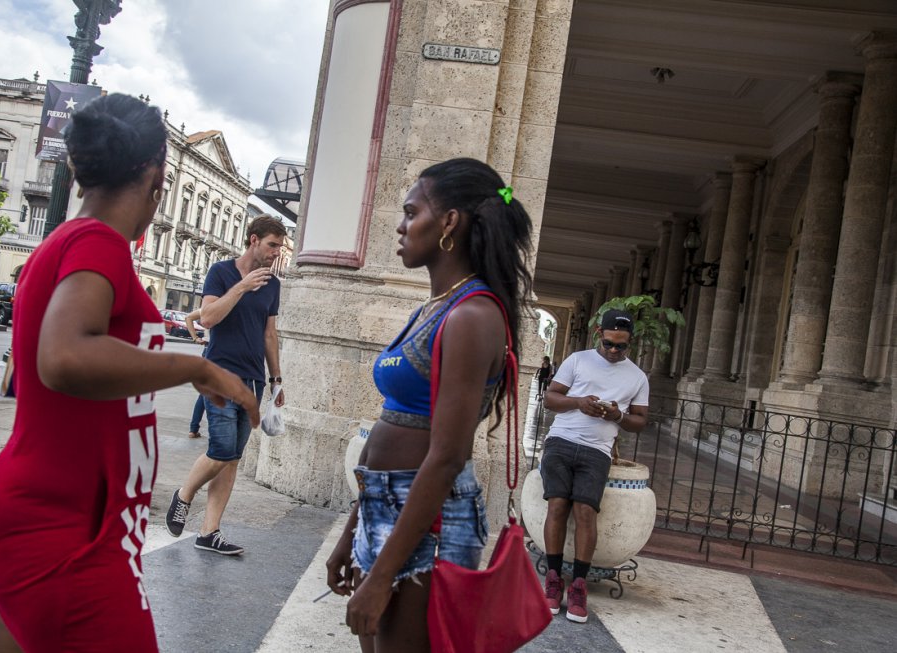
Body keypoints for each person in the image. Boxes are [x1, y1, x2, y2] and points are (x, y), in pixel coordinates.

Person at [0, 94, 258, 653]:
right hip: (64, 524)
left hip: (62, 518)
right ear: (156, 174)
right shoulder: (97, 241)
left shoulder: (72, 243)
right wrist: (198, 367)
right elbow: (66, 357)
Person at [324, 158, 533, 652]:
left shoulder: (472, 316)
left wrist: (380, 577)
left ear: (449, 223)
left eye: (410, 211)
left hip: (430, 522)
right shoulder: (434, 308)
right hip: (389, 508)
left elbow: (446, 457)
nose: (400, 225)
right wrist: (352, 532)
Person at [165, 214, 287, 555]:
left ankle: (209, 532)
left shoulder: (273, 285)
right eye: (272, 245)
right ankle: (184, 495)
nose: (276, 253)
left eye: (279, 247)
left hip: (253, 380)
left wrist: (276, 380)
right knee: (221, 449)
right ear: (253, 240)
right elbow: (207, 318)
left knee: (232, 459)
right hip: (218, 374)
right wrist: (243, 286)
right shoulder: (221, 273)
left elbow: (269, 333)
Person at [540, 309, 649, 624]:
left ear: (630, 343)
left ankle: (578, 586)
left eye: (621, 346)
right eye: (609, 343)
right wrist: (578, 402)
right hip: (561, 441)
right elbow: (550, 398)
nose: (614, 351)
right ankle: (553, 578)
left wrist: (617, 416)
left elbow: (640, 421)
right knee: (557, 505)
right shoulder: (578, 360)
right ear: (599, 332)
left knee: (586, 511)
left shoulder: (637, 377)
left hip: (597, 451)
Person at [185, 308, 208, 439]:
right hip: (221, 351)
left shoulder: (209, 306)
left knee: (204, 393)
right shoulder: (227, 306)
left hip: (208, 349)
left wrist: (195, 338)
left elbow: (188, 317)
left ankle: (193, 429)